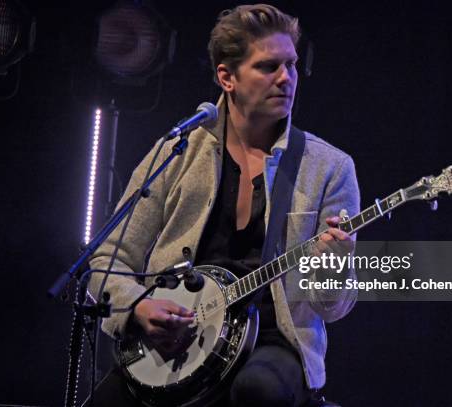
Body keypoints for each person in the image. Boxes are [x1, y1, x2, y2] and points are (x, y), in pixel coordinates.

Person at [88, 4, 360, 406]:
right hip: (177, 340)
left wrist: (335, 264)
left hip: (272, 342)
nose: (286, 79)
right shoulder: (178, 152)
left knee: (257, 392)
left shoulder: (330, 168)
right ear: (226, 77)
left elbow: (333, 307)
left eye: (292, 65)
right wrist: (138, 306)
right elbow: (107, 257)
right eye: (268, 67)